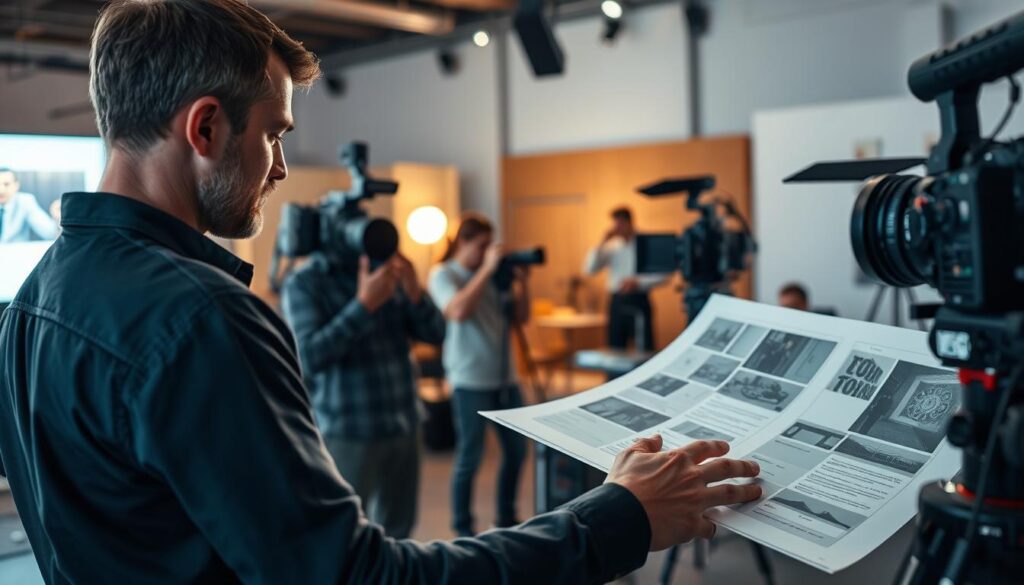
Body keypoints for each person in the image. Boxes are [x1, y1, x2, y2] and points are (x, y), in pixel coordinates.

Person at [0, 1, 762, 583]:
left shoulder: (31, 302)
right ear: (204, 129)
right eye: (274, 131)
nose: (281, 166)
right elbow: (359, 577)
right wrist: (616, 518)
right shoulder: (201, 319)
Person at [281, 248, 446, 539]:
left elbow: (437, 334)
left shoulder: (387, 271)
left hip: (404, 420)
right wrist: (364, 305)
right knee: (347, 534)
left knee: (399, 532)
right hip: (349, 428)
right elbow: (309, 358)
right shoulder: (306, 282)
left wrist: (415, 292)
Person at [427, 214, 531, 537]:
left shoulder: (495, 277)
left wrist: (523, 282)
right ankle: (462, 527)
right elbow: (458, 311)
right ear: (463, 242)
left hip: (505, 378)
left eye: (490, 246)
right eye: (482, 246)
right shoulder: (444, 273)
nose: (487, 252)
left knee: (516, 450)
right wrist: (487, 269)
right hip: (469, 379)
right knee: (470, 456)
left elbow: (521, 318)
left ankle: (505, 516)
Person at [584, 206, 668, 351]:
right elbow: (589, 269)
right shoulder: (611, 246)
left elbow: (663, 274)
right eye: (615, 224)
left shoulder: (646, 243)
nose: (617, 227)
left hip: (639, 299)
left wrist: (638, 282)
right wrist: (602, 242)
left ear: (629, 222)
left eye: (621, 223)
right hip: (617, 301)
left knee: (644, 347)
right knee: (615, 347)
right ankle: (614, 375)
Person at [0, 168, 59, 244]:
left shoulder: (25, 201)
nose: (1, 190)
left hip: (15, 253)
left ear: (16, 185)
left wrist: (57, 218)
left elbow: (49, 233)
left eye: (6, 184)